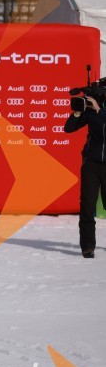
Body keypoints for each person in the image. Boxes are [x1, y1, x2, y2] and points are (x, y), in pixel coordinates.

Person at [65, 94, 106, 258]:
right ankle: (88, 246)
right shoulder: (90, 112)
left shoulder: (98, 111)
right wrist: (77, 112)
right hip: (91, 164)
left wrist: (100, 111)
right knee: (87, 205)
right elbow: (68, 128)